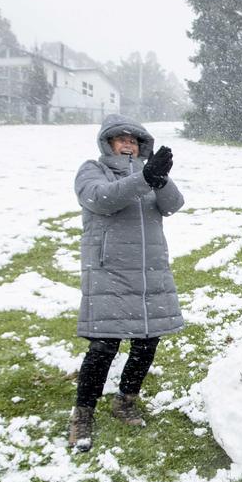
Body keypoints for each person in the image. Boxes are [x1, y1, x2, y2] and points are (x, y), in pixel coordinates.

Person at [68, 114, 183, 452]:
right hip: (111, 271)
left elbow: (174, 205)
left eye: (134, 140)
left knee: (147, 342)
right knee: (104, 345)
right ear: (108, 143)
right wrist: (145, 178)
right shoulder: (93, 170)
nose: (128, 144)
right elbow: (102, 199)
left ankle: (126, 400)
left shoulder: (149, 175)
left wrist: (159, 179)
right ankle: (83, 414)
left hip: (149, 271)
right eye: (121, 139)